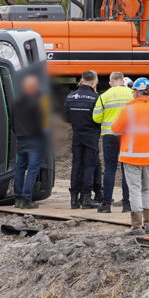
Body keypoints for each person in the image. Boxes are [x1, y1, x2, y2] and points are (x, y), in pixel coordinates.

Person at [111, 77, 149, 235]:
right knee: (147, 188)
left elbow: (115, 129)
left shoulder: (128, 110)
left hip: (131, 156)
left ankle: (136, 227)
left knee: (134, 190)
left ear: (136, 92)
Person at [92, 72, 134, 213]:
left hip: (109, 135)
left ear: (110, 83)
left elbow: (96, 118)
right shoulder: (132, 94)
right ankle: (127, 205)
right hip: (127, 135)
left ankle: (106, 205)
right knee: (126, 169)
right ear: (122, 81)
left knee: (110, 169)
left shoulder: (104, 96)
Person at [63, 70, 101, 209]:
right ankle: (86, 198)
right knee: (89, 166)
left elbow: (65, 117)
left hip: (77, 135)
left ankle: (73, 199)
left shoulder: (70, 97)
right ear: (94, 82)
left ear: (82, 80)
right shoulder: (96, 98)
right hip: (91, 136)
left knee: (76, 165)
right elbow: (98, 118)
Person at [11, 74, 49, 209]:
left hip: (21, 139)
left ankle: (17, 199)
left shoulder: (16, 102)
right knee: (33, 169)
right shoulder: (37, 102)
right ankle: (27, 199)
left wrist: (18, 134)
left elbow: (12, 122)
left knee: (20, 169)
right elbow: (41, 124)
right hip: (35, 140)